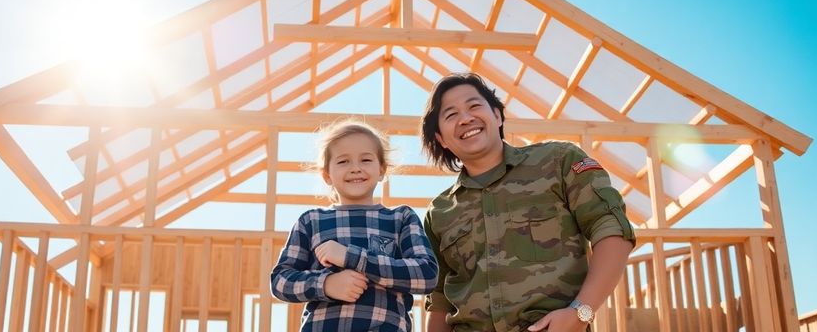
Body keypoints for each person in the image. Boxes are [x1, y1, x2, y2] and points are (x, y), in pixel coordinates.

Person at [420, 73, 636, 332]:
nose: (466, 118)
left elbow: (611, 228)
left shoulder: (558, 160)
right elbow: (440, 300)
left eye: (474, 106)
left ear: (497, 116)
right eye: (451, 114)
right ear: (441, 138)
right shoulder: (439, 212)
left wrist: (580, 313)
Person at [271, 119, 439, 331]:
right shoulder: (310, 221)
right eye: (343, 162)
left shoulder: (401, 218)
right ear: (327, 175)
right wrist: (326, 284)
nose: (355, 168)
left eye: (366, 160)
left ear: (382, 170)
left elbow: (426, 275)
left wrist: (353, 258)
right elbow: (280, 281)